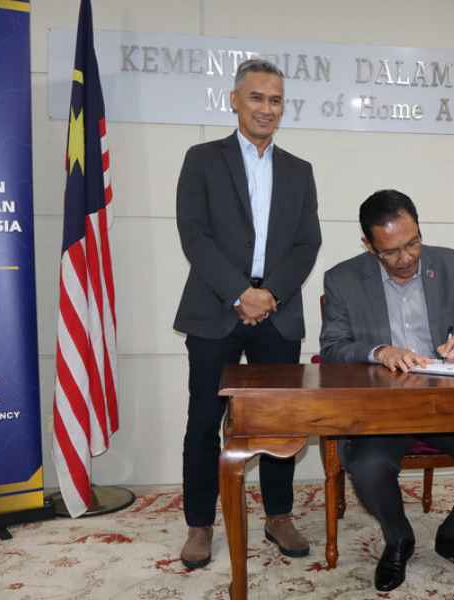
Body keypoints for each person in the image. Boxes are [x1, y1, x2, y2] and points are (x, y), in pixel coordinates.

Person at [320, 189, 454, 592]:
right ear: (369, 246)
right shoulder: (342, 279)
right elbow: (332, 347)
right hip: (383, 410)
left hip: (445, 402)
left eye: (413, 243)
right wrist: (379, 352)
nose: (407, 257)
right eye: (391, 251)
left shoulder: (451, 264)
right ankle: (398, 537)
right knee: (368, 465)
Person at [174, 58, 321, 569]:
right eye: (256, 97)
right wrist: (240, 293)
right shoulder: (202, 159)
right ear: (234, 100)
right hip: (215, 308)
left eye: (275, 100)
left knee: (279, 421)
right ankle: (199, 523)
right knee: (203, 421)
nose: (266, 108)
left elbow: (307, 243)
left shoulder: (300, 171)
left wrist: (269, 293)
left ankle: (278, 515)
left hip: (278, 313)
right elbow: (194, 234)